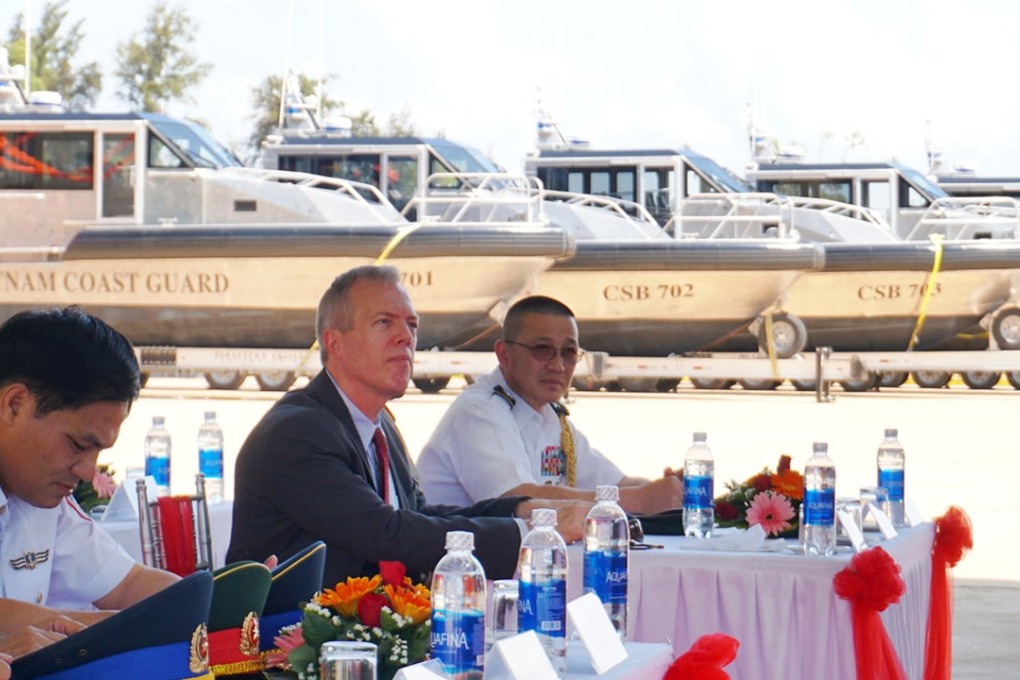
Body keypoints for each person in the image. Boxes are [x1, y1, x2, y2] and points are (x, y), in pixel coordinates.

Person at [226, 266, 590, 586]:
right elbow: (384, 534)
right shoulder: (297, 433)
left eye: (412, 325)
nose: (406, 337)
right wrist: (527, 534)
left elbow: (416, 515)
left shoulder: (378, 422)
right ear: (335, 343)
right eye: (384, 322)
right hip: (286, 637)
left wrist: (523, 509)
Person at [0, 307, 180, 657]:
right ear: (15, 405)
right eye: (78, 444)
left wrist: (226, 597)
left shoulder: (42, 499)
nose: (87, 471)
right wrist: (90, 628)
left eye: (98, 451)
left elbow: (128, 583)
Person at [418, 295, 684, 514]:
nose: (558, 366)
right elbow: (517, 501)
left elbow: (617, 484)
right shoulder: (479, 411)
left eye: (569, 352)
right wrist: (639, 500)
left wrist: (669, 490)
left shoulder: (551, 417)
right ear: (504, 354)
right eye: (542, 350)